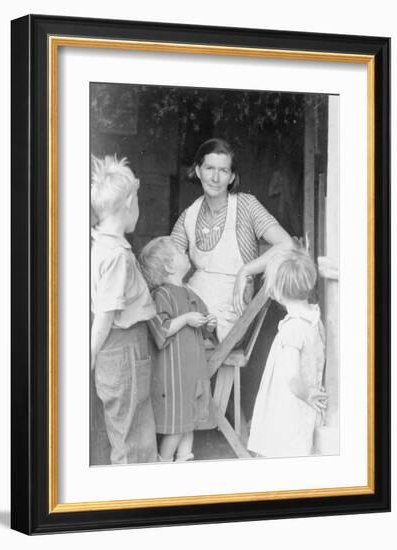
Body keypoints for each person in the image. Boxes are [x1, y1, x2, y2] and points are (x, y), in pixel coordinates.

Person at [171, 138, 294, 341]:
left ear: (232, 177)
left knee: (175, 334)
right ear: (198, 170)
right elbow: (166, 260)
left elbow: (287, 245)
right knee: (165, 324)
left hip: (230, 313)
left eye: (223, 171)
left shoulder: (246, 205)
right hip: (196, 305)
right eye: (210, 168)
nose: (215, 178)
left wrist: (246, 270)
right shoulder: (189, 215)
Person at [90, 154, 157, 464]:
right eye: (139, 203)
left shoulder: (101, 246)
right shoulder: (118, 256)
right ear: (130, 203)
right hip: (124, 350)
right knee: (132, 439)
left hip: (122, 351)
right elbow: (104, 314)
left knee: (128, 430)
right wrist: (89, 355)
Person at [139, 237, 217, 462]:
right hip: (174, 374)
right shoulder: (161, 295)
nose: (186, 253)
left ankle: (184, 461)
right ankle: (163, 464)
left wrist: (209, 323)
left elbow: (204, 322)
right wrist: (185, 319)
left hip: (190, 371)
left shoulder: (190, 292)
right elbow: (160, 330)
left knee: (188, 421)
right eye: (180, 252)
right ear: (169, 266)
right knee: (176, 425)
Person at [247, 248, 328, 458]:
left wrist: (307, 395)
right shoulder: (313, 317)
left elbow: (292, 375)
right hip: (304, 398)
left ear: (275, 292)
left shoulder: (292, 329)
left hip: (291, 402)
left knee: (280, 448)